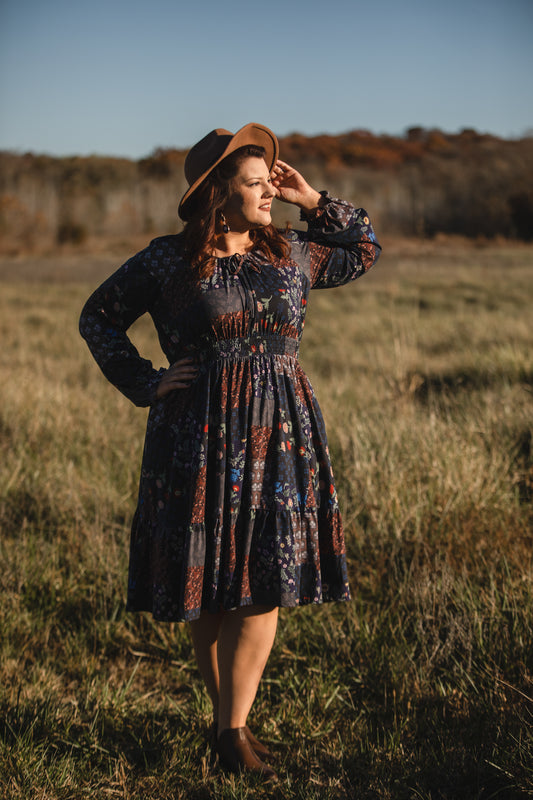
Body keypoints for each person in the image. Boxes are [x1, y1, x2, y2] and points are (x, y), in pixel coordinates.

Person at [79, 122, 381, 781]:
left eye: (271, 181)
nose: (269, 192)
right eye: (256, 183)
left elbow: (364, 247)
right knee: (209, 585)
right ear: (216, 193)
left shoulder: (293, 252)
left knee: (264, 581)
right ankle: (228, 729)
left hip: (279, 432)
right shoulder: (167, 262)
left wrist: (312, 199)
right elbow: (97, 316)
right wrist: (147, 382)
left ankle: (231, 730)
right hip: (197, 433)